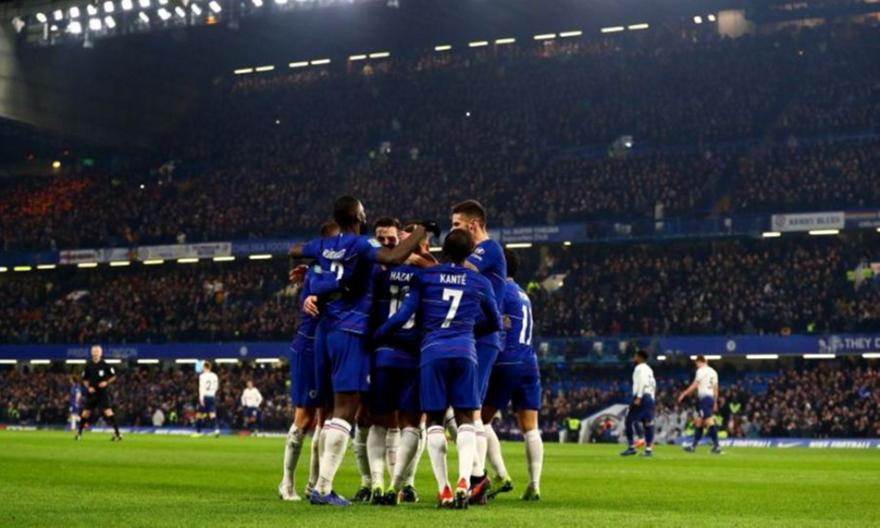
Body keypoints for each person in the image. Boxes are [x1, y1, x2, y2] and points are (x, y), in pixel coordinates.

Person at [288, 195, 427, 506]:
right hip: (351, 331)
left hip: (324, 332)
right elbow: (394, 257)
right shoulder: (362, 245)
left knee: (329, 413)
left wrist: (316, 271)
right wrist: (419, 232)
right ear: (358, 216)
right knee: (345, 411)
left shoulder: (324, 245)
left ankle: (317, 485)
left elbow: (293, 249)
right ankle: (323, 489)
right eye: (363, 212)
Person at [374, 229, 502, 509]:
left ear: (443, 250)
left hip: (432, 352)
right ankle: (464, 482)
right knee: (466, 419)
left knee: (434, 420)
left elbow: (403, 315)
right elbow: (494, 321)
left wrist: (378, 335)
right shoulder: (480, 281)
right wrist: (467, 330)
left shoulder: (425, 277)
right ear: (469, 254)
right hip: (465, 352)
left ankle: (444, 489)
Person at [369, 219, 437, 505]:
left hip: (384, 352)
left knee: (379, 422)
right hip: (414, 355)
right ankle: (402, 484)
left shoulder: (381, 273)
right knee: (412, 423)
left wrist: (374, 337)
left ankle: (376, 483)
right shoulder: (428, 275)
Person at [450, 199, 508, 504]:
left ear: (473, 224)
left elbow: (461, 269)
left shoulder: (489, 249)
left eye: (456, 225)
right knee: (464, 408)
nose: (452, 230)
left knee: (471, 409)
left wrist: (424, 264)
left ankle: (477, 478)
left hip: (484, 336)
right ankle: (477, 477)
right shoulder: (480, 251)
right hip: (471, 335)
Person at [280, 221, 340, 502]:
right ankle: (287, 483)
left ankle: (313, 484)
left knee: (325, 419)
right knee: (303, 418)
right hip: (308, 347)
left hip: (328, 347)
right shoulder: (316, 272)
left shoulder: (332, 270)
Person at [483, 249, 544, 500]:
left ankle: (500, 475)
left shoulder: (500, 291)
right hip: (529, 361)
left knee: (478, 421)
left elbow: (495, 324)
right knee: (531, 428)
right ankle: (534, 485)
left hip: (506, 360)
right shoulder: (522, 294)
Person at [75, 345, 122, 441]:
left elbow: (113, 376)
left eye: (97, 351)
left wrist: (106, 382)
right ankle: (79, 433)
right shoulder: (88, 365)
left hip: (102, 392)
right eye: (94, 351)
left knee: (108, 411)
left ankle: (118, 433)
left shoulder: (105, 365)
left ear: (101, 353)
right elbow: (84, 379)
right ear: (91, 353)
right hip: (92, 393)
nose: (95, 353)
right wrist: (88, 387)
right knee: (85, 413)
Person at [677, 355, 722, 454]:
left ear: (699, 362)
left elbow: (695, 384)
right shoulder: (713, 372)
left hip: (704, 398)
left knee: (709, 420)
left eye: (696, 363)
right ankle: (693, 446)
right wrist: (715, 402)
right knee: (699, 421)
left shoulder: (700, 371)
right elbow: (716, 388)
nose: (696, 365)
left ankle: (717, 446)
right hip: (710, 398)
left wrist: (684, 393)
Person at [620, 350, 656, 457]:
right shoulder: (649, 369)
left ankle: (631, 447)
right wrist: (652, 397)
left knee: (629, 421)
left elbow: (642, 382)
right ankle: (648, 450)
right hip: (650, 397)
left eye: (635, 356)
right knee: (648, 423)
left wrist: (639, 397)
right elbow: (653, 383)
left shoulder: (639, 368)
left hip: (642, 396)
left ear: (640, 357)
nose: (634, 358)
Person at [198, 361, 220, 437]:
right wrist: (213, 393)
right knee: (212, 414)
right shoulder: (214, 375)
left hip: (205, 396)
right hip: (212, 396)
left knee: (199, 414)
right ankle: (216, 429)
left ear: (205, 367)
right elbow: (216, 387)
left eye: (203, 367)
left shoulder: (202, 376)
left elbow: (201, 387)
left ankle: (198, 431)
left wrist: (201, 398)